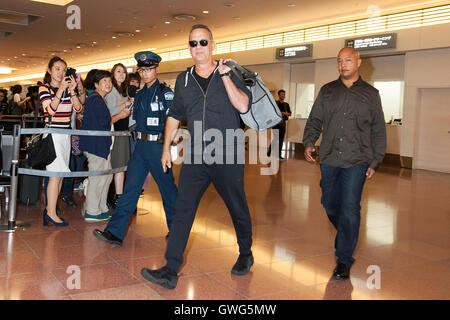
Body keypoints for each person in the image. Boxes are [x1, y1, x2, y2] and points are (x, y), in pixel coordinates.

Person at [139, 25, 254, 290]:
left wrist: (225, 77)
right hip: (197, 153)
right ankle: (170, 269)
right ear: (189, 47)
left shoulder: (231, 72)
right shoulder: (184, 80)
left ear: (212, 45)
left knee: (237, 207)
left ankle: (245, 253)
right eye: (193, 43)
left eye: (203, 42)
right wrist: (166, 147)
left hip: (227, 150)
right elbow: (174, 114)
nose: (198, 47)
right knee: (183, 209)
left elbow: (243, 106)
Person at [303, 47, 386, 280]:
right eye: (339, 61)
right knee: (329, 203)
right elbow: (315, 119)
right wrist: (309, 141)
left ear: (358, 62)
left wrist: (376, 159)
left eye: (348, 60)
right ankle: (347, 232)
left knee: (350, 207)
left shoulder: (371, 94)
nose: (343, 65)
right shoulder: (328, 91)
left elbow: (378, 129)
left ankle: (344, 260)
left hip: (358, 159)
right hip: (329, 157)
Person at [92, 51, 177, 246]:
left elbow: (172, 122)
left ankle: (177, 230)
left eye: (149, 69)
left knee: (168, 191)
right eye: (142, 70)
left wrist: (167, 149)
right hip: (140, 148)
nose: (145, 74)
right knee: (130, 190)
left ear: (156, 69)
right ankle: (114, 233)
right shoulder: (139, 95)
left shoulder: (166, 93)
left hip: (158, 147)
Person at [79, 70, 130, 222]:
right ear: (96, 84)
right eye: (104, 81)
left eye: (109, 81)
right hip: (96, 146)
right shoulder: (95, 99)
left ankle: (101, 208)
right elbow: (102, 124)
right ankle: (92, 211)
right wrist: (120, 116)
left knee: (106, 177)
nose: (108, 84)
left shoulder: (99, 99)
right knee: (98, 178)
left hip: (102, 145)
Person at [38, 56, 83, 226]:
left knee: (61, 175)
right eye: (57, 69)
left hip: (65, 135)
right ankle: (50, 212)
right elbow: (49, 110)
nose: (61, 73)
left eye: (64, 70)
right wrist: (60, 90)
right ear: (49, 70)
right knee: (55, 175)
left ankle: (51, 209)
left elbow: (79, 108)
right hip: (52, 135)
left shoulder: (67, 88)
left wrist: (72, 90)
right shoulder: (44, 88)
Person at [104, 63, 133, 209]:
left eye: (123, 72)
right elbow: (111, 110)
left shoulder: (124, 91)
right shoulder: (112, 90)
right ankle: (114, 198)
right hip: (115, 131)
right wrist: (127, 103)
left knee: (121, 166)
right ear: (112, 74)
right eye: (118, 71)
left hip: (123, 131)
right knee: (117, 166)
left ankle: (118, 197)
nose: (121, 74)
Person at [267, 89, 292, 159]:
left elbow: (290, 113)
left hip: (283, 124)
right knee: (275, 139)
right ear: (279, 95)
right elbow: (272, 112)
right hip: (276, 124)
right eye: (281, 94)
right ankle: (269, 151)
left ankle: (279, 155)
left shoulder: (286, 104)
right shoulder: (275, 103)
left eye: (284, 94)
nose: (283, 96)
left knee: (281, 140)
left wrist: (284, 113)